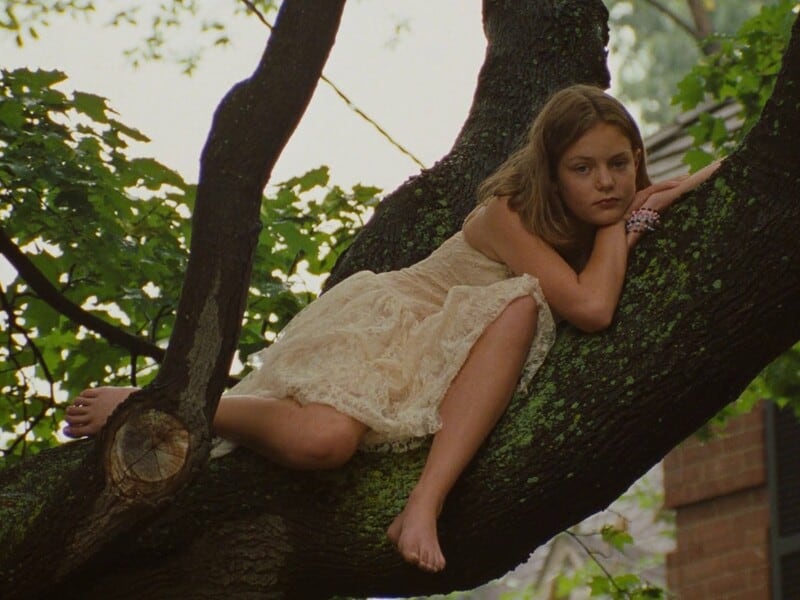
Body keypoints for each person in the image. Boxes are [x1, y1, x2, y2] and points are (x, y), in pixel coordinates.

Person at [63, 84, 721, 573]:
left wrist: (632, 215)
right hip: (394, 324)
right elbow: (592, 308)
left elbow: (706, 180)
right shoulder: (507, 214)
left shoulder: (598, 215)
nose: (605, 182)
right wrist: (624, 225)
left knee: (515, 308)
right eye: (583, 168)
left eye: (619, 165)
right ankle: (163, 405)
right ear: (551, 172)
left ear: (637, 158)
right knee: (325, 439)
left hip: (453, 351)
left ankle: (420, 506)